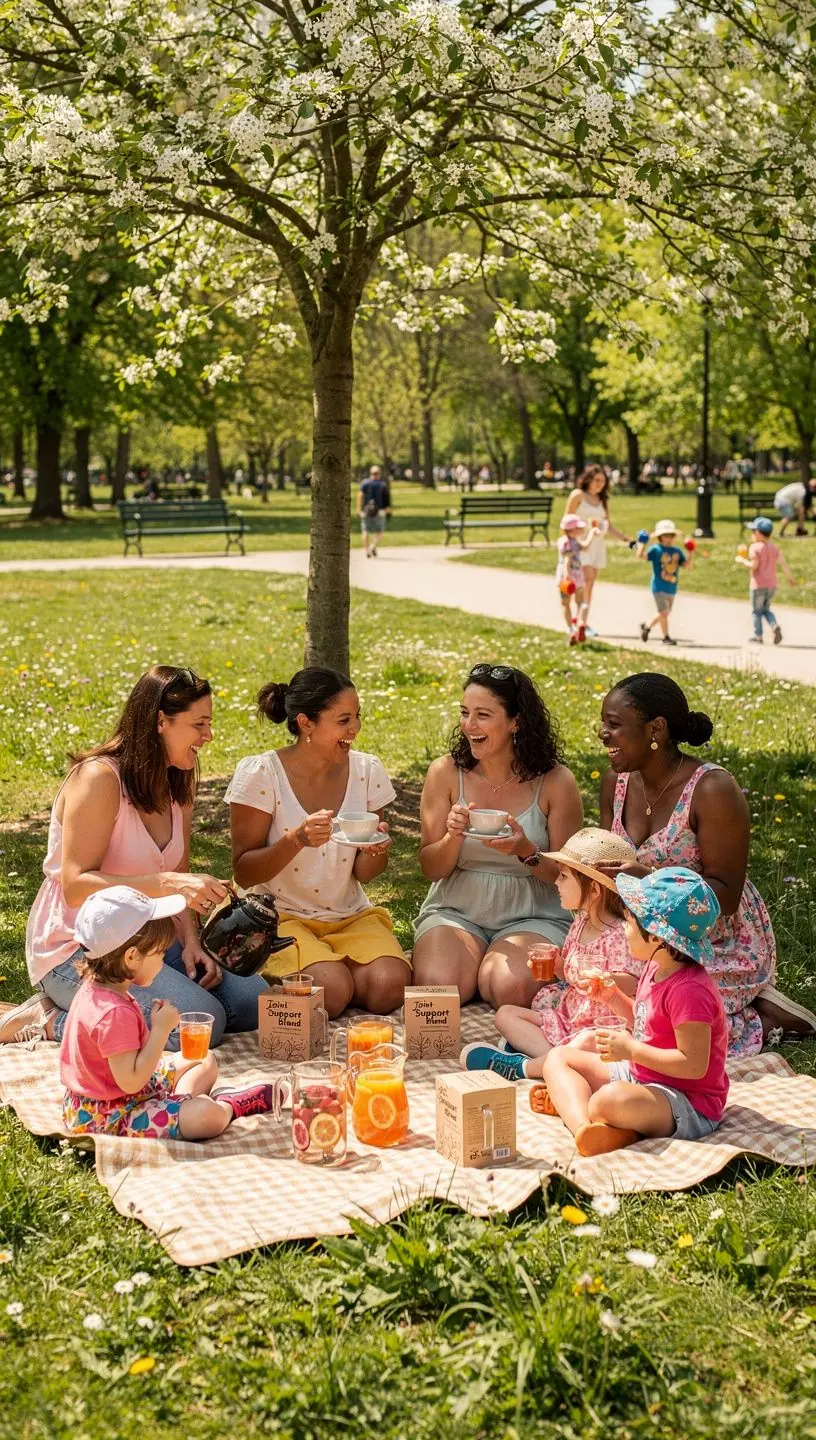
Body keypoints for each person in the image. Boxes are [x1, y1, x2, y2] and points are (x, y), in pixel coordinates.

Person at [0, 666, 268, 1049]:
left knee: (254, 1004)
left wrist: (192, 941)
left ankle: (96, 1009)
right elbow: (76, 886)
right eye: (199, 725)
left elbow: (178, 870)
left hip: (151, 939)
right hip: (80, 946)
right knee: (198, 1027)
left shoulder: (179, 780)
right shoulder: (99, 779)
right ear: (162, 721)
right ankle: (48, 1020)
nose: (208, 736)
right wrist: (169, 885)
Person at [598, 672, 814, 1048]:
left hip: (708, 935)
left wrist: (648, 879)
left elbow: (727, 896)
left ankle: (764, 1017)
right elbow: (606, 856)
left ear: (656, 729)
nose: (602, 734)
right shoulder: (615, 782)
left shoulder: (712, 789)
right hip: (641, 926)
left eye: (614, 725)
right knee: (594, 983)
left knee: (658, 1013)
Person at [226, 667, 408, 1018]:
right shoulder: (261, 774)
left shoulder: (368, 770)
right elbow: (244, 872)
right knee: (332, 990)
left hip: (348, 914)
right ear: (306, 722)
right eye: (343, 720)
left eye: (357, 717)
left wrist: (376, 850)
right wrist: (297, 839)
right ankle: (318, 974)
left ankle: (327, 971)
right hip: (278, 915)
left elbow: (367, 874)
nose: (354, 729)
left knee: (390, 986)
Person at [412, 664, 584, 1009]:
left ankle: (487, 972)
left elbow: (573, 879)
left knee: (509, 988)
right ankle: (472, 966)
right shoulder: (444, 773)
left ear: (515, 722)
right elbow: (431, 869)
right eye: (464, 713)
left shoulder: (555, 781)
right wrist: (452, 837)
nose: (468, 725)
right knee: (438, 988)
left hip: (535, 913)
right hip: (457, 908)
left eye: (483, 715)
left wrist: (527, 851)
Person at [61, 887, 278, 1141]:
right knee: (207, 1116)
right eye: (160, 953)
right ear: (132, 957)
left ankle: (179, 1102)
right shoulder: (112, 1013)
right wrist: (161, 1030)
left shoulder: (98, 987)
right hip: (110, 1114)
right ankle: (227, 1106)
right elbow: (130, 1082)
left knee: (202, 1059)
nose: (163, 961)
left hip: (124, 1094)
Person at [539, 868, 728, 1157]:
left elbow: (693, 1065)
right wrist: (613, 998)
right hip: (644, 1077)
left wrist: (631, 1050)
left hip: (686, 1101)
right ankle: (585, 1130)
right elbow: (645, 1025)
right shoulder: (656, 967)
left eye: (629, 922)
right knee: (558, 1058)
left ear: (657, 938)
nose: (623, 929)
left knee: (608, 1101)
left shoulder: (690, 991)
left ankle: (586, 1108)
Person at [458, 827, 642, 1080]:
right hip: (567, 1017)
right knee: (506, 1015)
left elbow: (634, 984)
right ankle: (550, 1059)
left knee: (587, 1041)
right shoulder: (581, 921)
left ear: (595, 891)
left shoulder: (621, 934)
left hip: (596, 1028)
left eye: (564, 877)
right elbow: (570, 973)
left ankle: (525, 1067)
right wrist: (558, 965)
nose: (556, 881)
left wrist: (606, 978)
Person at [562, 465, 632, 636]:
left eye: (603, 481)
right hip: (580, 545)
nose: (600, 484)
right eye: (597, 480)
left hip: (597, 545)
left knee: (590, 584)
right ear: (588, 479)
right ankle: (576, 620)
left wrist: (624, 538)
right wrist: (567, 545)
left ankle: (583, 622)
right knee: (583, 580)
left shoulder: (602, 499)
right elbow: (566, 520)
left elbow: (607, 525)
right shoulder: (578, 495)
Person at [735, 515, 794, 645]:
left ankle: (758, 636)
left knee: (756, 611)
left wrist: (742, 560)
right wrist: (790, 578)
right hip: (771, 585)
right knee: (766, 609)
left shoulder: (755, 548)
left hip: (758, 585)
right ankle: (774, 625)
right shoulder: (774, 548)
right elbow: (783, 563)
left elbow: (754, 566)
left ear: (757, 533)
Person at [636, 519, 693, 647]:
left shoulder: (677, 551)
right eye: (665, 536)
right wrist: (641, 543)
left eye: (671, 535)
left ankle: (646, 626)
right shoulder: (656, 549)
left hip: (671, 586)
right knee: (664, 612)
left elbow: (687, 565)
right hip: (658, 586)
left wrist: (690, 552)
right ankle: (665, 637)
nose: (668, 538)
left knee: (664, 613)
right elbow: (641, 556)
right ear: (660, 537)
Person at [555, 515, 594, 643]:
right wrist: (592, 533)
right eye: (579, 528)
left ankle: (571, 629)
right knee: (581, 602)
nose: (581, 530)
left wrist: (566, 576)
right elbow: (585, 546)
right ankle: (581, 622)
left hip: (565, 578)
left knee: (565, 604)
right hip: (577, 575)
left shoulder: (563, 541)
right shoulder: (576, 542)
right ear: (572, 530)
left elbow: (566, 558)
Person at [357, 465, 391, 557]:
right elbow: (387, 500)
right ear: (379, 473)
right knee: (379, 531)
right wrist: (388, 510)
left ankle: (366, 550)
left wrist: (359, 510)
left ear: (370, 473)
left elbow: (360, 496)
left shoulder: (365, 483)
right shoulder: (383, 485)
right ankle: (373, 546)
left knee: (365, 530)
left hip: (366, 511)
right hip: (379, 511)